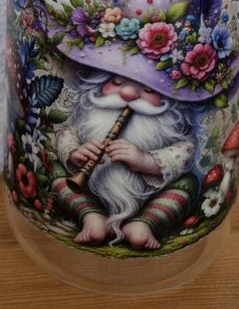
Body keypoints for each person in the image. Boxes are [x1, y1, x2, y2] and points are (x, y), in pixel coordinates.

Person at [53, 67, 203, 250]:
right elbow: (67, 135)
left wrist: (146, 161)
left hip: (149, 197)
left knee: (188, 184)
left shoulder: (168, 127)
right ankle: (91, 215)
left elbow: (186, 151)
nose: (128, 93)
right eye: (116, 82)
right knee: (55, 170)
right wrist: (75, 154)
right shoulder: (89, 116)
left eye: (148, 89)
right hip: (93, 191)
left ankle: (144, 222)